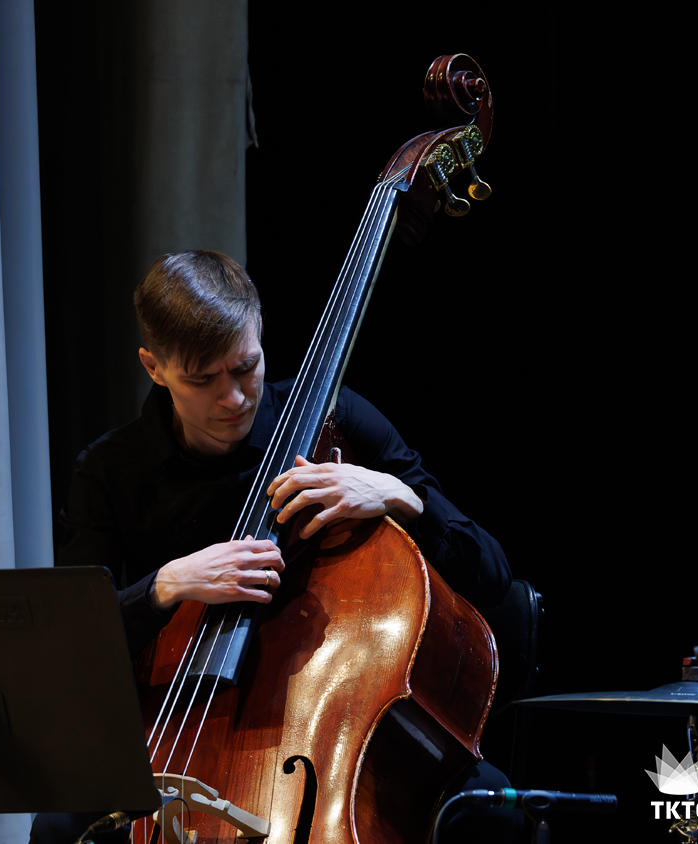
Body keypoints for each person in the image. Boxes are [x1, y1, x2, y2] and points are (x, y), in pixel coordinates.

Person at [35, 250, 517, 843]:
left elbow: (492, 575)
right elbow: (68, 651)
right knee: (57, 828)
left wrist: (398, 495)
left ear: (259, 333)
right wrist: (164, 586)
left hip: (324, 723)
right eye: (202, 380)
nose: (234, 398)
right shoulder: (111, 471)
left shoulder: (336, 421)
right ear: (153, 368)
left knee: (489, 809)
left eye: (245, 367)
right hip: (178, 731)